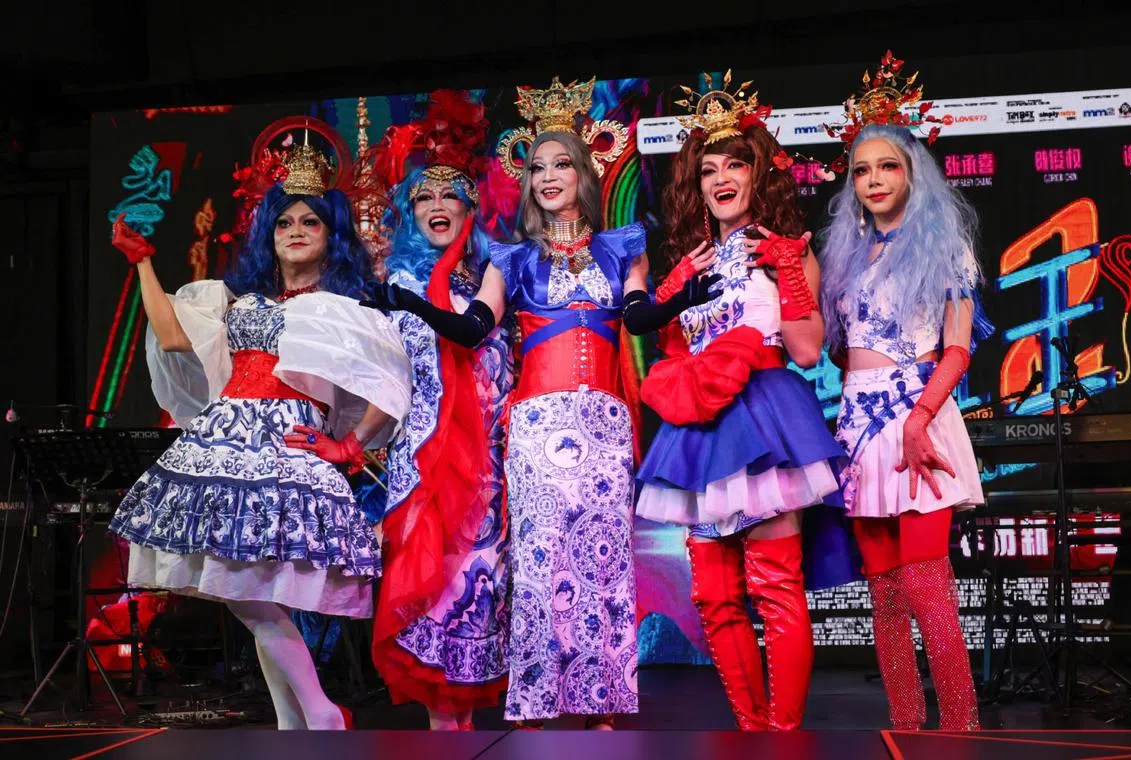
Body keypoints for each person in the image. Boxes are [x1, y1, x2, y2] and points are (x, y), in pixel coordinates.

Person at [107, 134, 412, 730]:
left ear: (331, 237)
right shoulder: (237, 301)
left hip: (283, 448)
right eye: (284, 223)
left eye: (311, 223)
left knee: (252, 593)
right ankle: (302, 723)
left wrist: (349, 444)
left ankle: (317, 716)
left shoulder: (342, 308)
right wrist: (142, 262)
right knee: (250, 598)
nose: (295, 231)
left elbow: (389, 385)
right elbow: (173, 337)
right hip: (224, 443)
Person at [362, 76, 640, 729]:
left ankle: (593, 702)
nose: (548, 176)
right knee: (523, 579)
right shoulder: (481, 270)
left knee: (592, 566)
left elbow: (633, 313)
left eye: (562, 162)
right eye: (537, 165)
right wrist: (413, 309)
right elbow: (443, 347)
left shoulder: (597, 252)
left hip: (552, 446)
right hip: (486, 452)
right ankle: (518, 708)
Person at [629, 72, 858, 731]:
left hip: (763, 421)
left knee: (776, 590)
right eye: (708, 169)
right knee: (714, 599)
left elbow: (810, 350)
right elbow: (669, 347)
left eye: (736, 164)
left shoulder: (787, 253)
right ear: (694, 184)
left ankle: (783, 736)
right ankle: (752, 734)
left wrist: (787, 268)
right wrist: (676, 289)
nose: (722, 178)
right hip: (701, 432)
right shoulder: (688, 260)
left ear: (761, 175)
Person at [818, 51, 991, 732]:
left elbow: (957, 348)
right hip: (859, 426)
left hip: (917, 415)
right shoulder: (847, 255)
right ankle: (905, 726)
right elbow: (838, 349)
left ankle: (961, 727)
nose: (874, 179)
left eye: (888, 165)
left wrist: (920, 419)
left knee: (926, 587)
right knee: (884, 598)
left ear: (912, 170)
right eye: (861, 170)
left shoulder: (945, 247)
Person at [358, 90, 513, 731]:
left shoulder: (494, 274)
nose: (437, 206)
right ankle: (439, 735)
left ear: (470, 209)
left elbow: (487, 343)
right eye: (423, 197)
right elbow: (372, 377)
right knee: (426, 588)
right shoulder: (391, 285)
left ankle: (465, 733)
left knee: (477, 586)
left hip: (486, 465)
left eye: (451, 196)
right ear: (407, 209)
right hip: (422, 459)